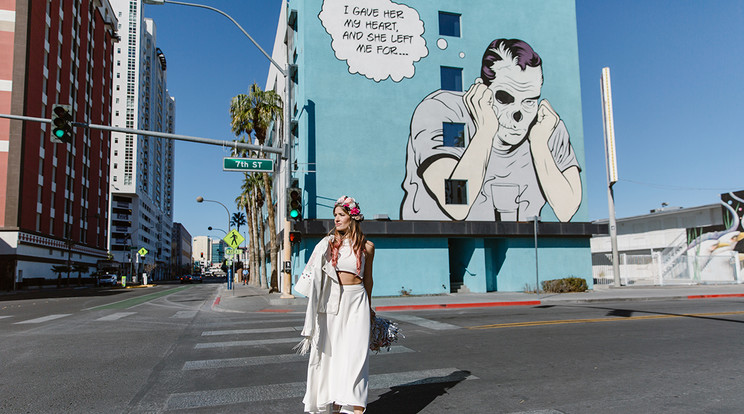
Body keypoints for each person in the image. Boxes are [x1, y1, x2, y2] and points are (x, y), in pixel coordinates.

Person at [401, 38, 582, 222]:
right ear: (483, 91)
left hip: (523, 246)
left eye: (529, 101)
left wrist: (539, 144)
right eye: (505, 98)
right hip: (442, 246)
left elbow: (566, 210)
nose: (517, 115)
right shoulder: (450, 115)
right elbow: (456, 203)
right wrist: (485, 130)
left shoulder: (546, 126)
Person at [295, 195, 375, 414]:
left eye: (341, 215)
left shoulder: (368, 247)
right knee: (334, 354)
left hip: (357, 299)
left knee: (356, 354)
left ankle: (356, 406)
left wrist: (369, 307)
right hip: (333, 301)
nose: (336, 220)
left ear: (352, 217)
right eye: (335, 216)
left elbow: (368, 279)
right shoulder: (330, 244)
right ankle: (338, 402)